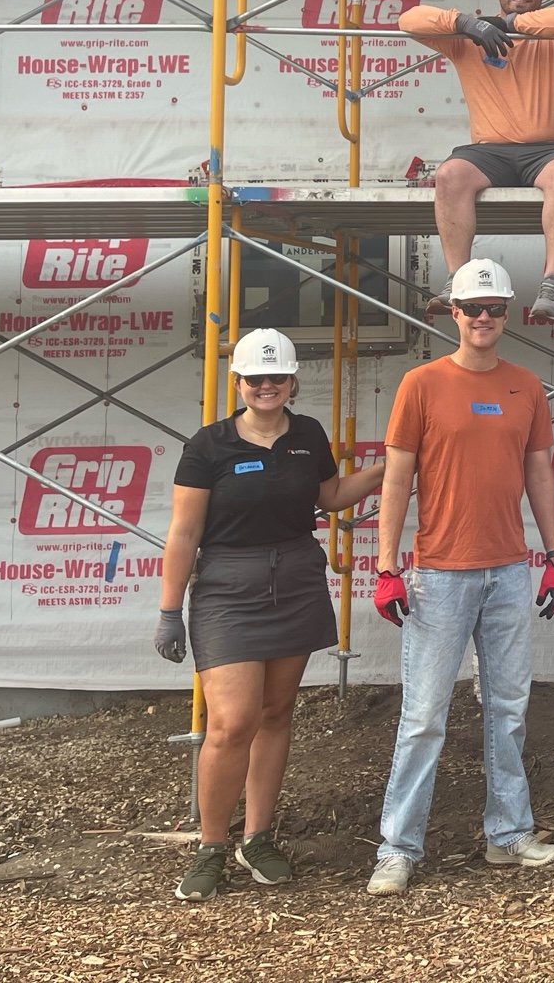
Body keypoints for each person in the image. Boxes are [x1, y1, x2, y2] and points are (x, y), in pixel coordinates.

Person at [155, 329, 385, 900]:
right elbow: (184, 532)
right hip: (228, 588)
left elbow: (329, 497)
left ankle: (256, 837)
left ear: (291, 382)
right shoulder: (208, 445)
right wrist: (169, 610)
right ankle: (211, 846)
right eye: (255, 379)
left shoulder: (307, 435)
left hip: (297, 579)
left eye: (276, 377)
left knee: (277, 712)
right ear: (238, 384)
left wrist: (392, 467)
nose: (265, 386)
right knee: (232, 722)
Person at [366, 259, 554, 896]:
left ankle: (508, 835)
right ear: (452, 311)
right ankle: (398, 847)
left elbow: (540, 474)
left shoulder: (526, 386)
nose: (483, 317)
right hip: (438, 575)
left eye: (495, 308)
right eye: (472, 307)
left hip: (508, 571)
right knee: (424, 715)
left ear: (506, 314)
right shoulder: (420, 384)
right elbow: (397, 478)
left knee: (507, 709)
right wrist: (387, 564)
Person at [398, 0, 554, 324]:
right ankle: (457, 279)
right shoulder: (469, 36)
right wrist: (466, 23)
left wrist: (509, 23)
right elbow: (408, 19)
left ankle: (553, 282)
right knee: (450, 174)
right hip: (490, 152)